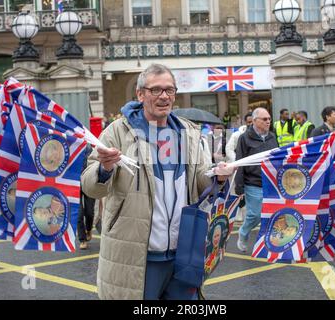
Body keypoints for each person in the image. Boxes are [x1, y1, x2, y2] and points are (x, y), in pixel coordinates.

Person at [81, 64, 227, 300]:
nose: (164, 97)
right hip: (137, 255)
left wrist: (216, 175)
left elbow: (200, 180)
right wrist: (105, 167)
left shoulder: (188, 133)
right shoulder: (117, 132)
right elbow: (90, 186)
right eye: (156, 90)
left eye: (169, 90)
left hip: (184, 252)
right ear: (140, 94)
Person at [235, 107, 278, 252]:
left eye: (269, 119)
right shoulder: (244, 138)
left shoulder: (272, 137)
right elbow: (240, 161)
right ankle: (243, 232)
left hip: (271, 182)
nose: (268, 122)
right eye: (264, 119)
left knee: (272, 214)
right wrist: (239, 186)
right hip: (253, 182)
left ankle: (269, 242)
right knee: (255, 215)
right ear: (254, 121)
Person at [78, 144, 96, 250]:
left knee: (89, 212)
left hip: (88, 183)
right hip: (75, 185)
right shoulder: (69, 147)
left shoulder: (89, 148)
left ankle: (89, 229)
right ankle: (82, 240)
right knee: (79, 214)